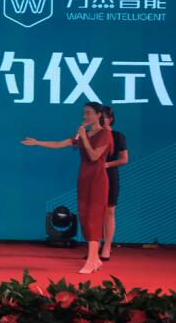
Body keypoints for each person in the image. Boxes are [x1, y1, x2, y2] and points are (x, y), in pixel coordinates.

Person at [21, 102, 113, 274]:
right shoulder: (83, 134)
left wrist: (84, 137)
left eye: (89, 113)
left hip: (98, 179)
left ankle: (91, 260)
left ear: (99, 114)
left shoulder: (105, 134)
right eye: (84, 113)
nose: (85, 116)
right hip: (84, 177)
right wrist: (37, 142)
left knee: (93, 216)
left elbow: (94, 156)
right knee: (84, 216)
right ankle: (95, 259)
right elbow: (59, 144)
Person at [100, 106, 128, 261]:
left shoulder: (117, 136)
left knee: (109, 211)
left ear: (110, 119)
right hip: (94, 177)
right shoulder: (92, 135)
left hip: (110, 176)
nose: (99, 119)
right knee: (95, 212)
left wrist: (106, 165)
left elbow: (124, 159)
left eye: (102, 117)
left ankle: (107, 247)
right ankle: (95, 246)